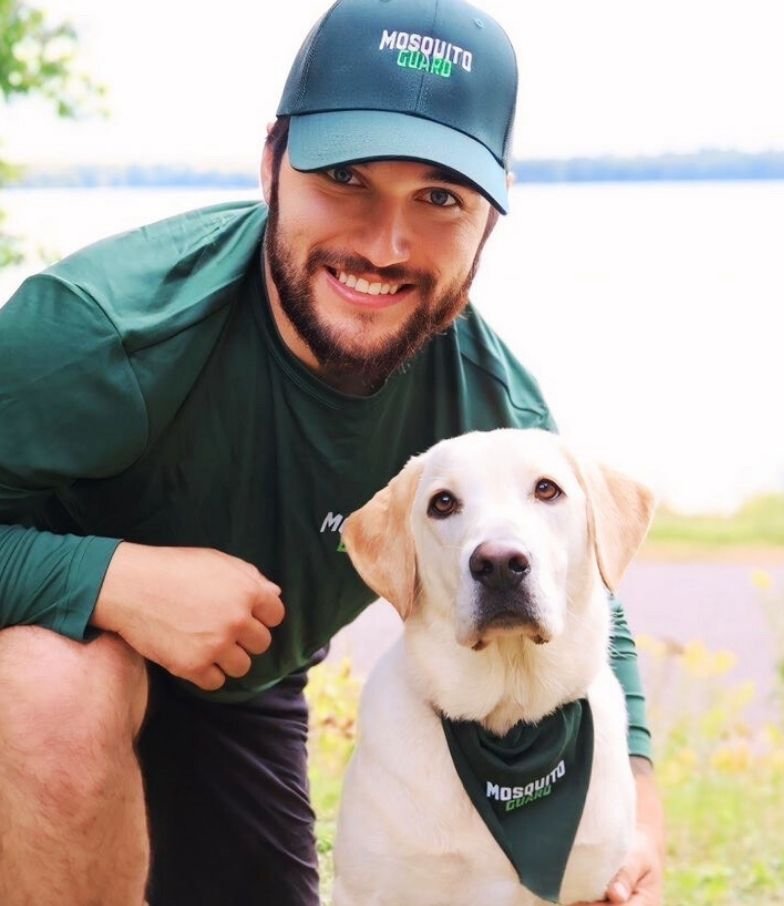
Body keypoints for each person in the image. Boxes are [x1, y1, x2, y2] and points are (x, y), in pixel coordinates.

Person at [0, 0, 664, 903]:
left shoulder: (490, 406)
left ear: (489, 220)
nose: (384, 245)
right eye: (344, 175)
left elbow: (578, 572)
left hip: (236, 693)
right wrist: (112, 580)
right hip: (33, 670)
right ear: (273, 162)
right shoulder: (103, 333)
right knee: (54, 685)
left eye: (438, 198)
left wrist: (639, 795)